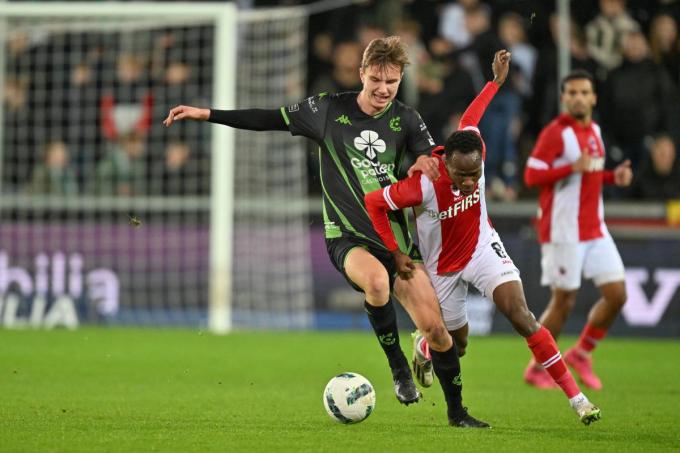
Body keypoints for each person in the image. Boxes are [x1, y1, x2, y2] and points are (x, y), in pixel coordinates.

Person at [164, 36, 486, 427]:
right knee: (377, 283)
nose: (384, 89)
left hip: (395, 240)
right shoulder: (327, 110)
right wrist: (208, 114)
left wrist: (422, 162)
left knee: (437, 332)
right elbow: (270, 118)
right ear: (362, 72)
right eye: (377, 80)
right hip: (347, 236)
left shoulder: (406, 117)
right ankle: (399, 370)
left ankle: (457, 414)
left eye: (392, 82)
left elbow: (426, 151)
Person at [364, 50, 601, 426]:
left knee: (523, 317)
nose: (471, 182)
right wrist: (394, 252)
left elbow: (471, 117)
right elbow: (374, 202)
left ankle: (578, 400)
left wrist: (495, 82)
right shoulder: (422, 185)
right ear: (445, 164)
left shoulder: (473, 148)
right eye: (463, 176)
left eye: (476, 173)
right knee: (456, 347)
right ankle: (424, 346)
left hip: (481, 248)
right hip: (443, 268)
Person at [523, 70, 633, 391]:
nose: (578, 98)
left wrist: (614, 178)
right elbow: (531, 176)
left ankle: (582, 353)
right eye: (572, 93)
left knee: (617, 295)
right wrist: (570, 167)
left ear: (594, 97)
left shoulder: (595, 131)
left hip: (595, 228)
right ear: (564, 98)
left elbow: (592, 174)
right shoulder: (555, 133)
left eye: (584, 92)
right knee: (564, 301)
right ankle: (536, 367)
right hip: (563, 230)